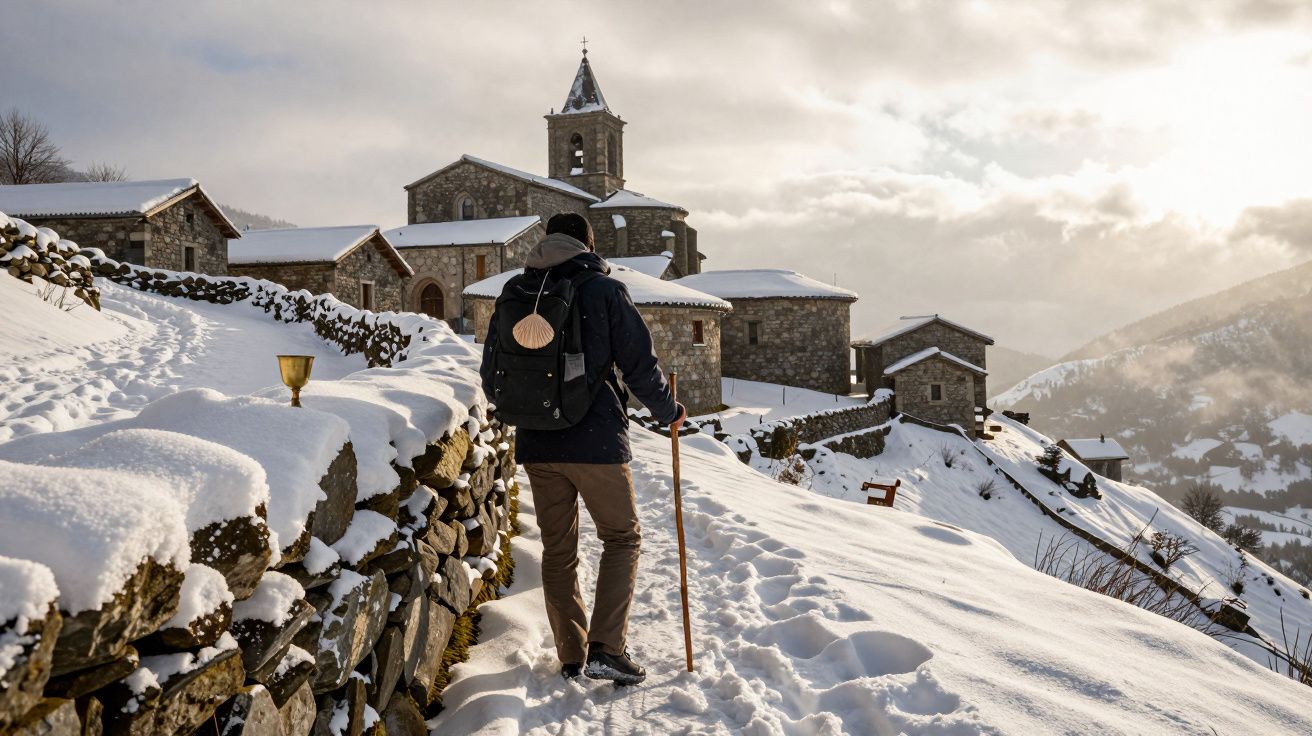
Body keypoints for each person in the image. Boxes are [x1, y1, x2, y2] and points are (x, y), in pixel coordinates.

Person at [480, 212, 685, 685]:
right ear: (588, 245)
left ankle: (572, 652)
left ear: (546, 241)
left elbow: (493, 374)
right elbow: (638, 365)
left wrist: (530, 412)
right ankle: (607, 649)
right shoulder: (603, 290)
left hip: (537, 442)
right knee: (622, 538)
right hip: (595, 441)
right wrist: (667, 411)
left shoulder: (516, 291)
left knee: (558, 549)